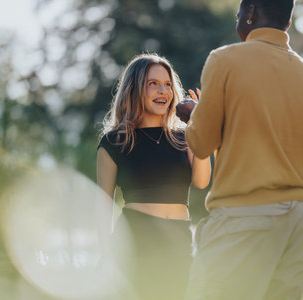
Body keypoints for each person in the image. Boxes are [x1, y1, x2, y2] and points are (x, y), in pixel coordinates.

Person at [176, 0, 303, 299]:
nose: (238, 19)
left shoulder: (224, 60)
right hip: (298, 226)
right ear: (287, 22)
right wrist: (287, 207)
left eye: (238, 13)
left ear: (250, 13)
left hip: (241, 219)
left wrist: (193, 115)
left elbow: (201, 142)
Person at [96, 53, 211, 300]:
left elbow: (202, 181)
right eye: (153, 84)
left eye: (168, 84)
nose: (163, 91)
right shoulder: (114, 141)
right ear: (134, 89)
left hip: (179, 238)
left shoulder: (185, 136)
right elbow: (102, 205)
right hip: (137, 237)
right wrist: (106, 257)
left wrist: (198, 126)